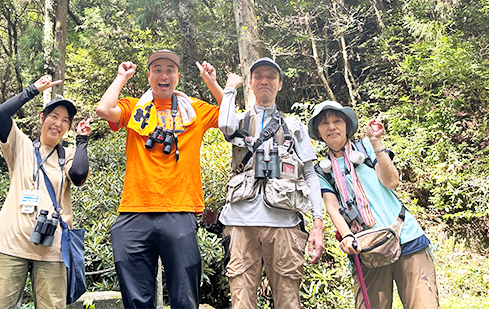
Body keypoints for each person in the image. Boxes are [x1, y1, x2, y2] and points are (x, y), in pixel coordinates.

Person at [95, 50, 223, 309]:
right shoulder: (134, 107)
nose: (163, 75)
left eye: (169, 70)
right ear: (149, 74)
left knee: (184, 296)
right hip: (134, 211)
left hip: (178, 210)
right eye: (157, 70)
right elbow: (104, 109)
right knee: (136, 299)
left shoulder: (194, 110)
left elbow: (232, 116)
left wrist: (212, 83)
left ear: (177, 75)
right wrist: (121, 77)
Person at [307, 100, 440, 309]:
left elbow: (392, 181)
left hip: (406, 238)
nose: (331, 126)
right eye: (324, 123)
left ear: (347, 125)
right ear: (318, 131)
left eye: (337, 120)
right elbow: (332, 207)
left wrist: (377, 144)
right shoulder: (322, 170)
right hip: (366, 248)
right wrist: (347, 236)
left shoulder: (366, 147)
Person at [218, 57, 325, 309]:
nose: (264, 81)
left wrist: (318, 222)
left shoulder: (293, 125)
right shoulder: (238, 121)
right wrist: (230, 87)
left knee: (288, 299)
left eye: (271, 77)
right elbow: (223, 124)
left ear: (279, 84)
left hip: (284, 223)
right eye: (258, 77)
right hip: (240, 223)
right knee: (242, 301)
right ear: (251, 84)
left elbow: (311, 174)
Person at [0, 76, 91, 309]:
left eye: (65, 120)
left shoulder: (68, 156)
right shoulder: (20, 145)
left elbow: (80, 175)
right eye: (53, 116)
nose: (58, 123)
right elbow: (1, 114)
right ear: (42, 119)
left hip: (52, 250)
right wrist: (33, 90)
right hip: (11, 244)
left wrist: (82, 140)